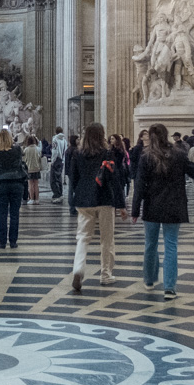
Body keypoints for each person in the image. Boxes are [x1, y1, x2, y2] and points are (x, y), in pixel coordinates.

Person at [131, 124, 194, 299]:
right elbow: (192, 171)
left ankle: (149, 280)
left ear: (150, 137)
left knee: (150, 245)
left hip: (152, 205)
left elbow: (140, 185)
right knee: (171, 245)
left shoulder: (146, 157)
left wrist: (135, 209)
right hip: (174, 205)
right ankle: (170, 287)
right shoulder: (179, 155)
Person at [67, 122, 126, 292]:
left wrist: (73, 200)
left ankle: (78, 268)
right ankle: (105, 274)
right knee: (107, 239)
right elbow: (115, 180)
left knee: (83, 237)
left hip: (83, 200)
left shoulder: (78, 154)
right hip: (104, 198)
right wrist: (121, 205)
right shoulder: (107, 153)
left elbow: (73, 179)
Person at [0, 128, 27, 248]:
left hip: (1, 183)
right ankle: (13, 241)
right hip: (16, 182)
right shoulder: (16, 149)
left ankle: (2, 241)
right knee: (14, 214)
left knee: (2, 214)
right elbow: (20, 159)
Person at [49, 127, 67, 202]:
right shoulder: (64, 140)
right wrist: (63, 160)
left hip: (56, 160)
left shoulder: (55, 139)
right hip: (62, 160)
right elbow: (65, 150)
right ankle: (60, 193)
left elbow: (55, 150)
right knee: (59, 178)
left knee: (53, 179)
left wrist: (52, 161)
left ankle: (56, 195)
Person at [23, 135, 43, 203]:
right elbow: (40, 158)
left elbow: (24, 159)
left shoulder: (26, 149)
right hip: (37, 168)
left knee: (30, 184)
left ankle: (31, 199)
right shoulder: (38, 149)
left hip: (29, 168)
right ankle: (37, 199)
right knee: (36, 184)